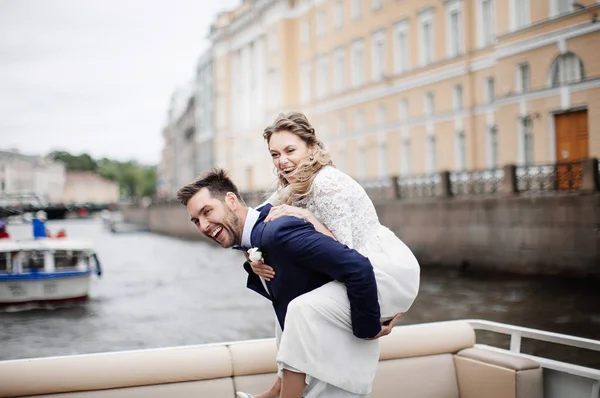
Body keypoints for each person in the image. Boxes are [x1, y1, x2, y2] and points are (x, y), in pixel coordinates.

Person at [241, 112, 421, 398]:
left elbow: (344, 252)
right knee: (285, 299)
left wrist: (305, 217)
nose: (282, 160)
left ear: (311, 149)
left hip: (382, 269)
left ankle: (286, 392)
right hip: (354, 267)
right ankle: (280, 387)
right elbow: (253, 223)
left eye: (290, 150)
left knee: (301, 308)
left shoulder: (327, 184)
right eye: (275, 154)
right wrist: (255, 261)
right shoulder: (291, 186)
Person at [177, 169, 398, 398]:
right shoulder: (257, 236)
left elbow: (357, 267)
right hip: (313, 368)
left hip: (335, 369)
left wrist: (368, 329)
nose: (203, 225)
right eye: (196, 220)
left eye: (207, 212)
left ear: (231, 200)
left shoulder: (278, 232)